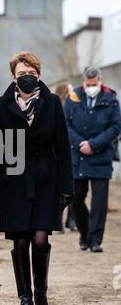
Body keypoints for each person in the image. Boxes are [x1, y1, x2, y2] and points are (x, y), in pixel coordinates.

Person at [0, 52, 73, 305]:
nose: (28, 75)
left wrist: (66, 187)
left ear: (39, 74)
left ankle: (41, 294)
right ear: (13, 75)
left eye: (33, 71)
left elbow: (62, 147)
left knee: (39, 239)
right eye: (23, 71)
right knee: (20, 242)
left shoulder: (51, 103)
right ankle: (24, 301)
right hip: (12, 182)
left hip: (45, 181)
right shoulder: (0, 106)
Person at [64, 67, 121, 252]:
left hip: (101, 157)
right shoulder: (73, 98)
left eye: (94, 84)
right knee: (76, 200)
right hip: (78, 156)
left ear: (100, 80)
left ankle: (95, 240)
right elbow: (65, 124)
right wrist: (82, 143)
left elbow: (116, 126)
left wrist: (94, 144)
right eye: (88, 84)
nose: (91, 87)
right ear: (83, 81)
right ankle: (85, 234)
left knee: (99, 202)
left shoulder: (110, 99)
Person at [54, 82, 77, 233]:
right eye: (70, 90)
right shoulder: (56, 109)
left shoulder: (73, 108)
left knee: (72, 189)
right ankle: (58, 222)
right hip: (59, 154)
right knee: (58, 191)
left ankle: (70, 220)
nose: (72, 93)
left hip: (74, 153)